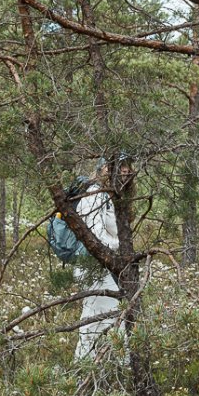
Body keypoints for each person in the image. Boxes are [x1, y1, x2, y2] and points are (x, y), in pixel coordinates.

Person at [73, 155, 127, 362]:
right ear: (104, 168)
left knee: (99, 316)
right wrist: (122, 245)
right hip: (92, 265)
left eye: (127, 165)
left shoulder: (108, 195)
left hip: (104, 266)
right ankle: (118, 364)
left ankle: (92, 364)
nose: (125, 170)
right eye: (119, 166)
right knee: (103, 316)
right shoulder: (94, 195)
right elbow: (94, 237)